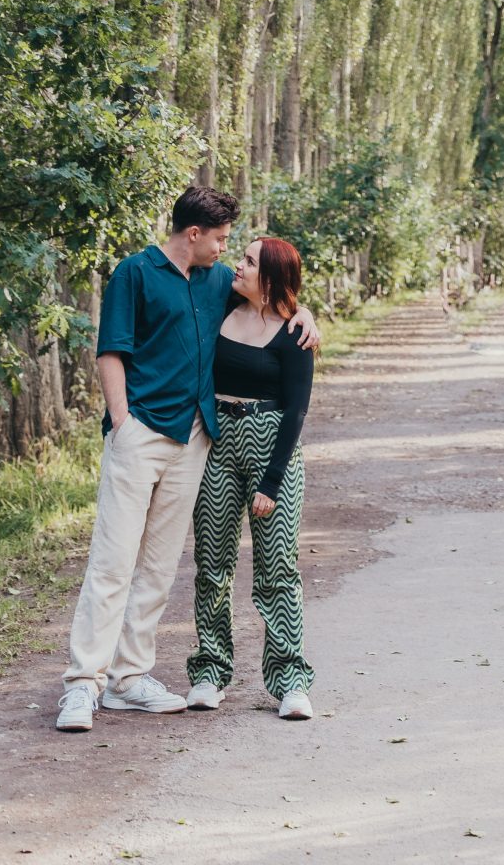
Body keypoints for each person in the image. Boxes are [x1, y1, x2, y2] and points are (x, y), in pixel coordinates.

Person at [55, 187, 317, 732]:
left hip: (196, 440)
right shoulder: (135, 273)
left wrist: (307, 313)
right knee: (113, 562)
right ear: (194, 234)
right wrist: (122, 422)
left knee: (159, 567)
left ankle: (129, 679)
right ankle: (83, 684)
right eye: (221, 240)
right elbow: (111, 350)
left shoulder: (217, 281)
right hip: (140, 434)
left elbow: (274, 301)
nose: (227, 251)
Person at [185, 233, 317, 722]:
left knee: (277, 569)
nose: (238, 266)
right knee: (211, 564)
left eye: (249, 261)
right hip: (218, 441)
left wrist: (271, 482)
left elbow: (296, 411)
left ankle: (290, 682)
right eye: (240, 257)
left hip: (271, 446)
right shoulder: (223, 306)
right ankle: (210, 671)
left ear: (272, 277)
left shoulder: (294, 334)